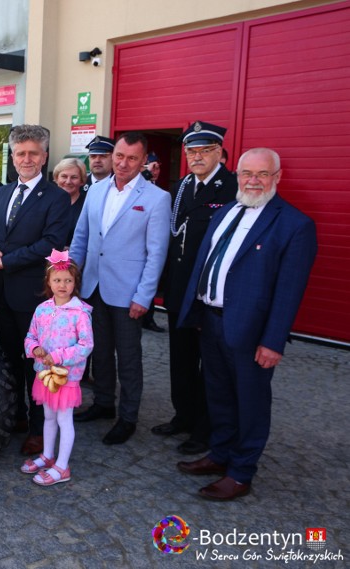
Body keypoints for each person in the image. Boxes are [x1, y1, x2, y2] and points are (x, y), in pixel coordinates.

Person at [176, 148, 317, 501]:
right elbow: (206, 265)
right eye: (246, 173)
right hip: (211, 322)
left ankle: (241, 472)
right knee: (219, 395)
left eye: (262, 174)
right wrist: (197, 312)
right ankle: (221, 453)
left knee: (250, 402)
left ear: (277, 177)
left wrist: (273, 342)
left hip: (251, 332)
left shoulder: (294, 225)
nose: (253, 180)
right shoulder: (226, 211)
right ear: (236, 175)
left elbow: (289, 292)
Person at [69, 132, 171, 445]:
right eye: (119, 156)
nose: (123, 163)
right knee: (98, 352)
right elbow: (81, 238)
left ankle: (128, 417)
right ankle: (102, 403)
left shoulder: (156, 198)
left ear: (144, 162)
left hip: (128, 294)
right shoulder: (96, 190)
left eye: (132, 159)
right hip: (93, 287)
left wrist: (144, 296)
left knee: (128, 358)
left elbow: (157, 254)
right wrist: (69, 277)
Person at [0, 124, 72, 456]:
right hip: (0, 292)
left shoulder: (57, 198)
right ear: (13, 157)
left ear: (44, 156)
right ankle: (16, 413)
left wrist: (7, 261)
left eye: (33, 153)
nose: (26, 159)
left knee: (39, 361)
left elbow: (51, 244)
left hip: (33, 295)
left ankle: (38, 429)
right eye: (20, 153)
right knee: (8, 359)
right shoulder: (3, 193)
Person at [152, 121, 238, 455]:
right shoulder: (181, 187)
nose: (197, 157)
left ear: (220, 153)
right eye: (192, 151)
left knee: (211, 366)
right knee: (181, 359)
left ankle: (206, 428)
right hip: (179, 290)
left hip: (210, 294)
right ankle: (183, 415)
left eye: (204, 151)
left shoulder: (231, 188)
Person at [21, 250, 93, 486]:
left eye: (68, 281)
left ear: (75, 283)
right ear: (49, 283)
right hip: (45, 374)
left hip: (67, 377)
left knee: (64, 419)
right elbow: (30, 335)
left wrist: (58, 356)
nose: (62, 285)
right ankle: (48, 455)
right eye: (57, 280)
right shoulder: (42, 309)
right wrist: (35, 349)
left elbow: (86, 345)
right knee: (48, 416)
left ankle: (62, 466)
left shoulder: (80, 313)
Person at [141, 151, 165, 333]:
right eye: (152, 166)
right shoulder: (142, 180)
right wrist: (146, 173)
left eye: (158, 166)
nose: (155, 170)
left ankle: (149, 319)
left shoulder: (161, 191)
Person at [52, 157, 87, 245]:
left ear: (82, 181)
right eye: (64, 176)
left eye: (74, 177)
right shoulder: (46, 202)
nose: (68, 181)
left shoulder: (87, 205)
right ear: (56, 178)